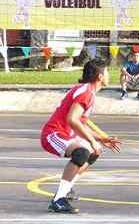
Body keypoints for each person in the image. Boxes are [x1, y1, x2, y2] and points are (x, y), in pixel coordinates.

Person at [40, 58, 122, 213]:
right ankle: (58, 200)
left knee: (93, 152)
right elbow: (72, 120)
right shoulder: (86, 93)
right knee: (81, 153)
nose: (109, 75)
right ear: (100, 76)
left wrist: (100, 139)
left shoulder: (87, 91)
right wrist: (92, 139)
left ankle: (65, 190)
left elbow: (79, 124)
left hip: (66, 133)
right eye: (107, 72)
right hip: (54, 133)